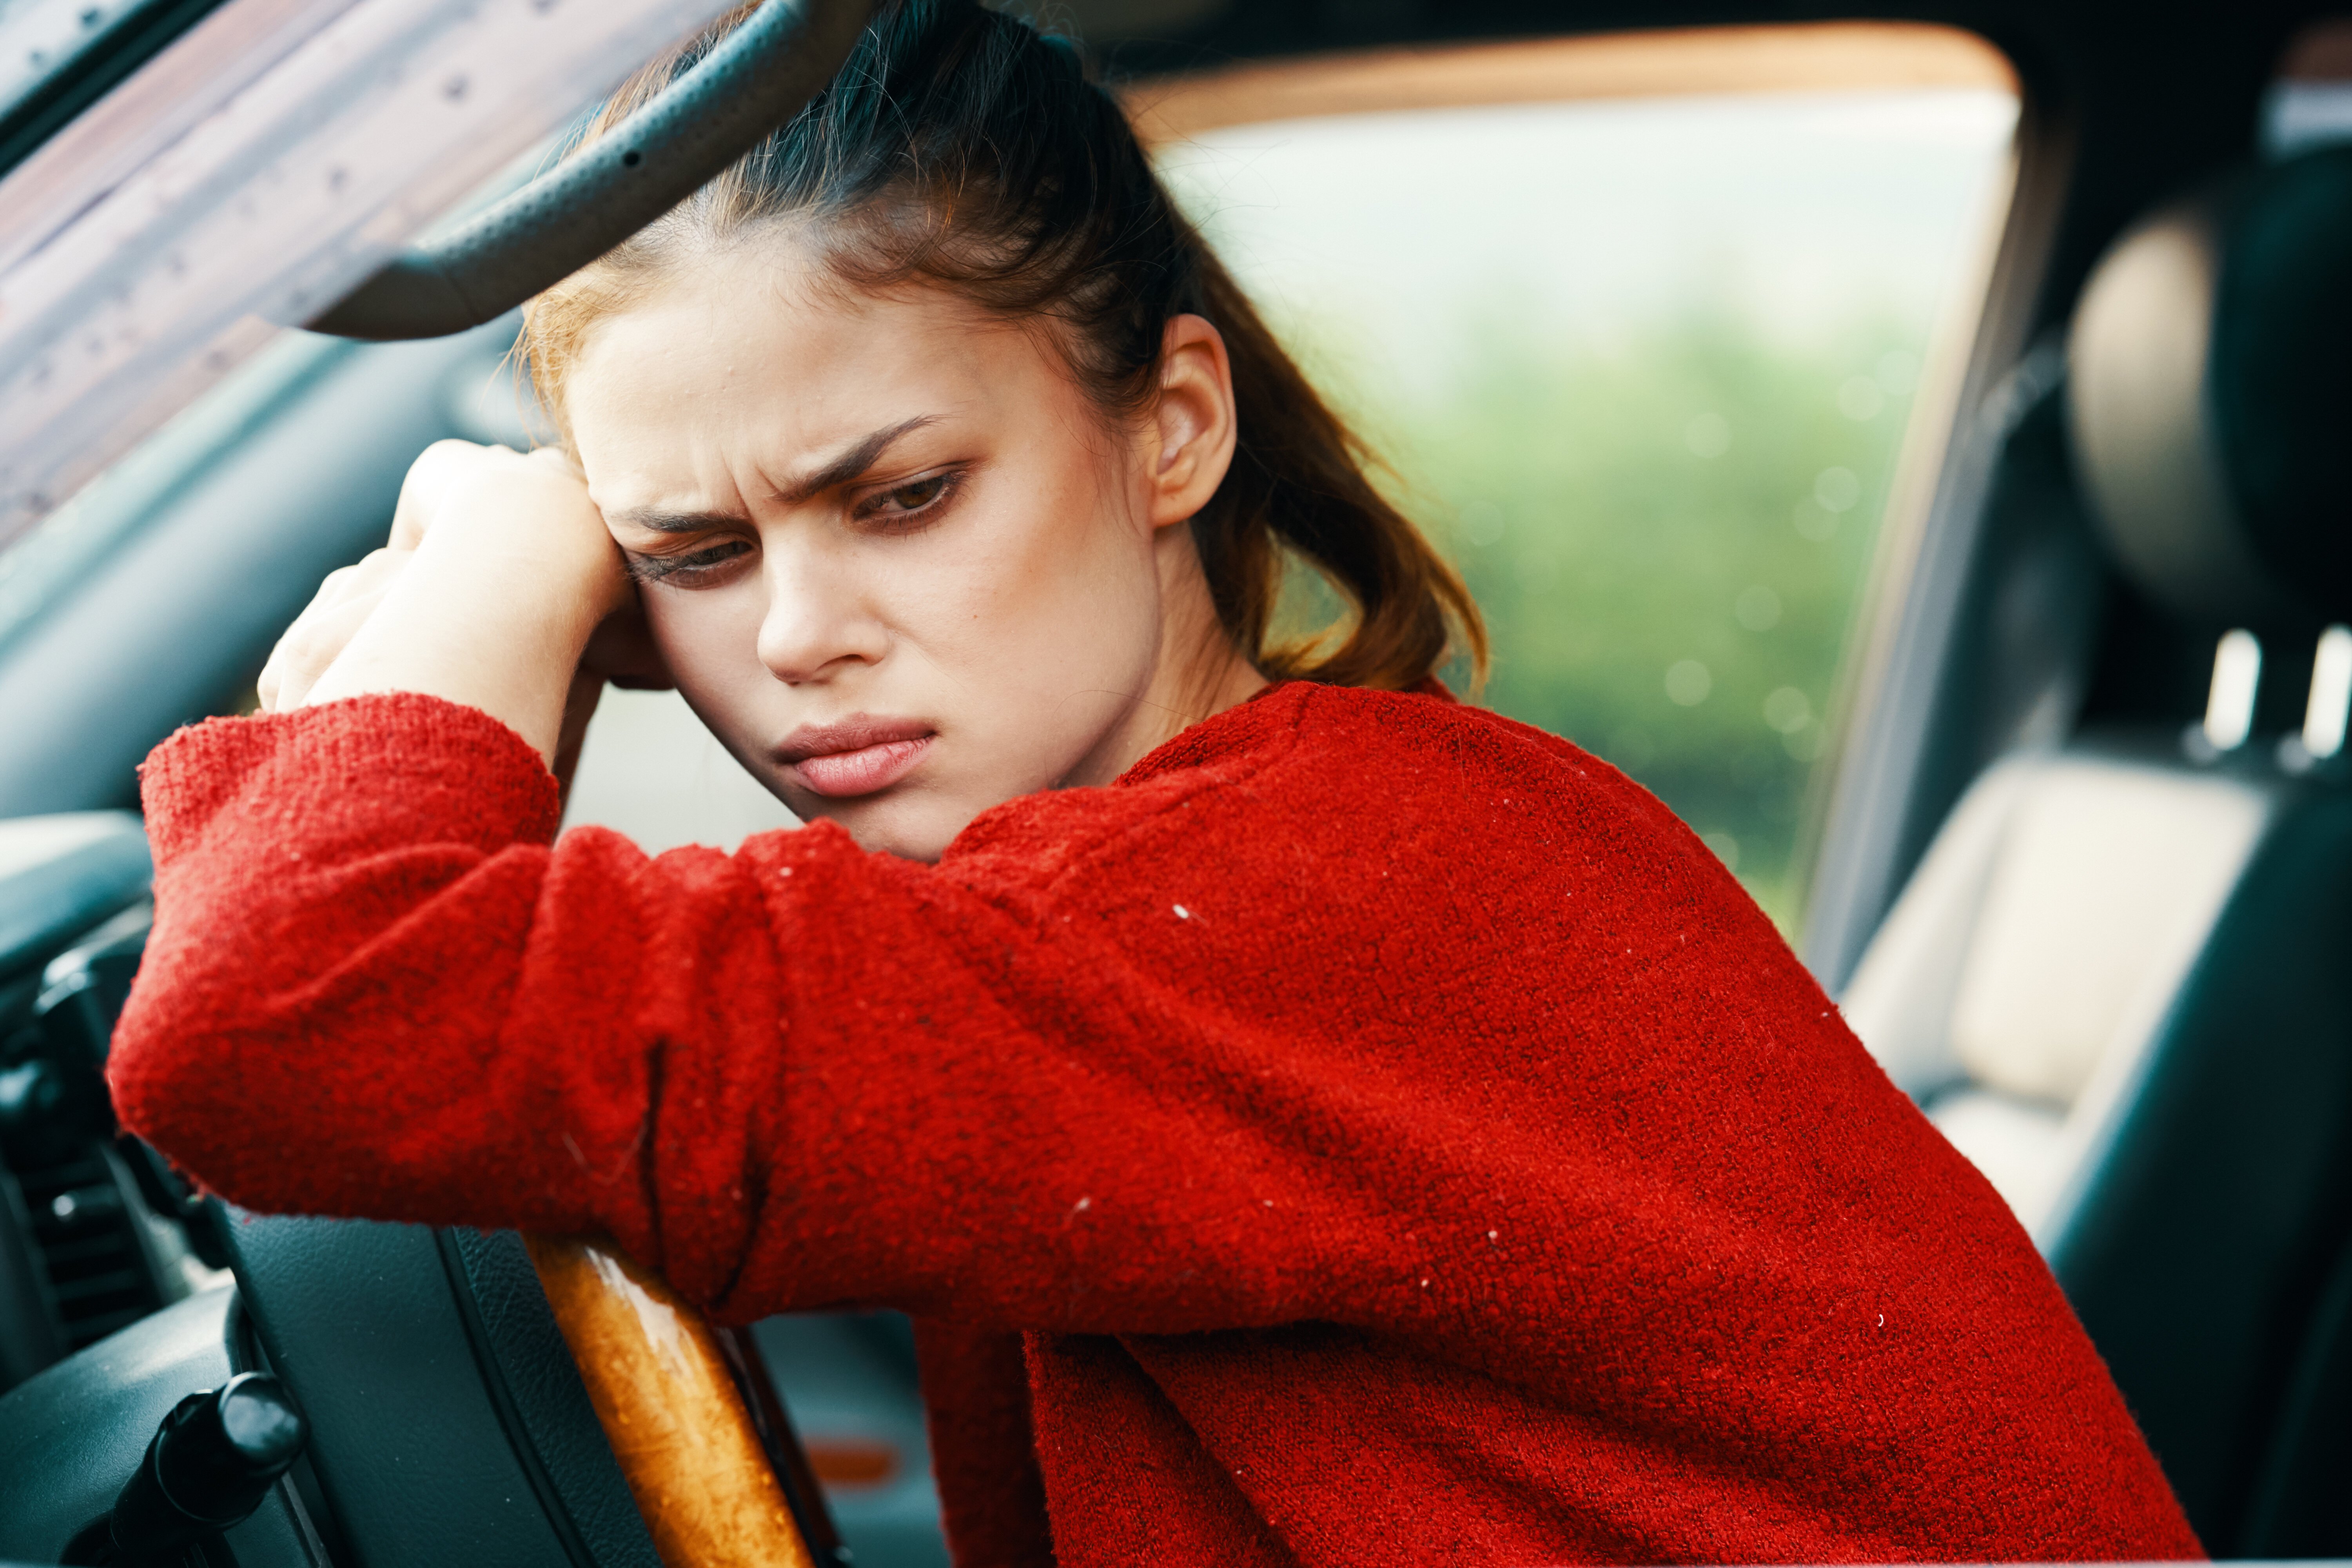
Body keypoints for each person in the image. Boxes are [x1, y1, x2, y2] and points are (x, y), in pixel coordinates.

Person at [109, 3, 2200, 1564]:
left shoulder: (1284, 891)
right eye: (692, 558)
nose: (803, 632)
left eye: (908, 494)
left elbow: (282, 1014)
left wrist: (480, 576)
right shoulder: (1159, 898)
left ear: (1172, 425)